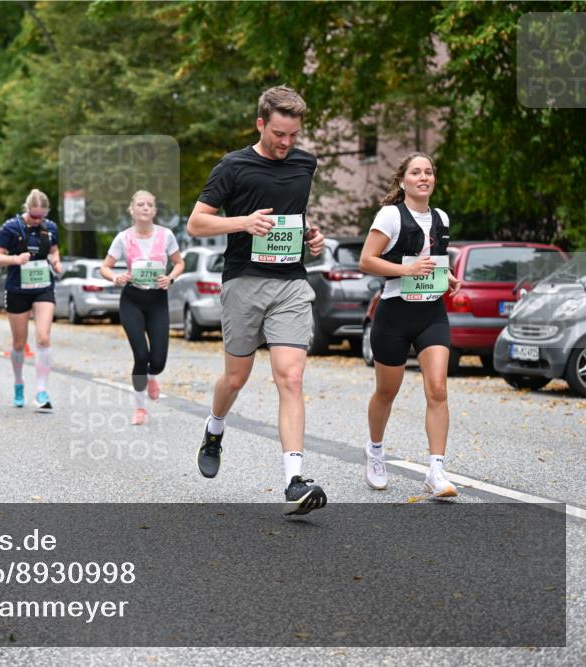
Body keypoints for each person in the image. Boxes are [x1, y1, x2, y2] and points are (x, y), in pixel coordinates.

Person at [187, 85, 327, 516]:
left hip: (289, 283)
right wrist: (244, 222)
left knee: (291, 377)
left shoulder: (306, 164)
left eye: (294, 135)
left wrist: (311, 236)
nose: (286, 144)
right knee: (235, 378)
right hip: (244, 281)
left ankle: (294, 479)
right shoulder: (232, 166)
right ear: (261, 124)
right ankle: (215, 430)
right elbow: (196, 223)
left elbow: (295, 216)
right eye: (278, 134)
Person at [358, 152, 461, 499]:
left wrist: (447, 277)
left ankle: (436, 470)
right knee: (387, 392)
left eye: (429, 172)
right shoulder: (390, 215)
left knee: (438, 388)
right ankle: (374, 452)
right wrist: (406, 271)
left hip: (431, 312)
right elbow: (367, 261)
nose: (423, 177)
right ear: (403, 181)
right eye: (416, 172)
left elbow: (432, 262)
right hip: (394, 313)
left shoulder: (442, 218)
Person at [100, 191, 184, 425]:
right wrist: (115, 277)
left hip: (157, 300)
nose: (145, 208)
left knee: (157, 362)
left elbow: (179, 262)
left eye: (150, 205)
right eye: (141, 204)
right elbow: (104, 267)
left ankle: (151, 376)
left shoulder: (166, 235)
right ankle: (139, 408)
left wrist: (171, 278)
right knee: (140, 355)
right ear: (132, 210)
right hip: (132, 300)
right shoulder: (123, 238)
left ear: (154, 211)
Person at [0, 189, 63, 411]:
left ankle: (42, 391)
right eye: (34, 216)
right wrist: (14, 259)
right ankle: (19, 382)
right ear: (27, 209)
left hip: (43, 287)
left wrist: (56, 263)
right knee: (19, 343)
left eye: (41, 216)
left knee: (43, 338)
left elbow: (54, 251)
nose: (37, 220)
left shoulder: (50, 228)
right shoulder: (11, 227)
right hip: (17, 288)